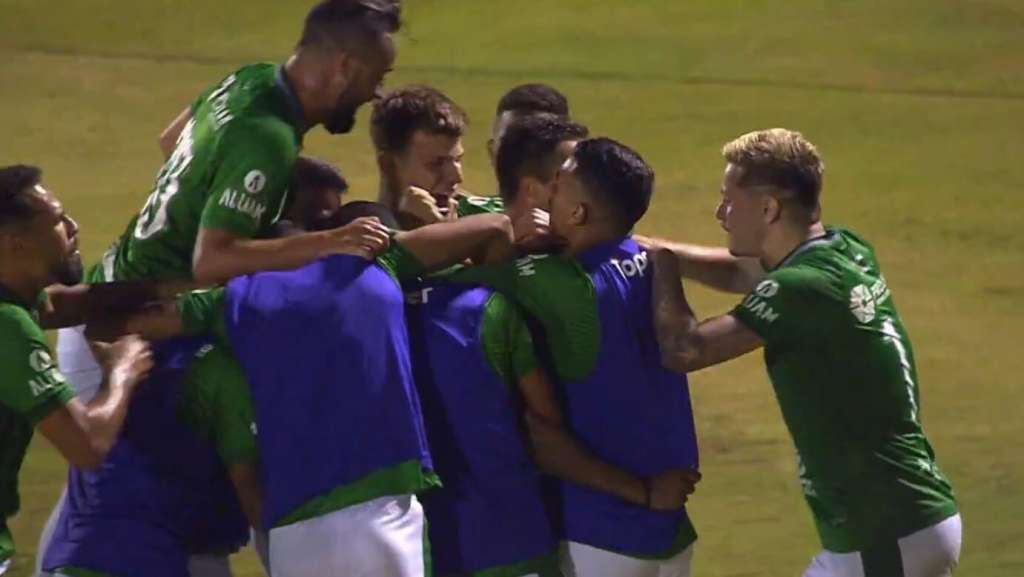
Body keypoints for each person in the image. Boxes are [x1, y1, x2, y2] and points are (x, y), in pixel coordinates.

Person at [90, 206, 518, 577]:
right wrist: (470, 283)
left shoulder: (236, 299)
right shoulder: (373, 264)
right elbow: (495, 227)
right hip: (380, 514)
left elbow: (121, 324)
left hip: (294, 531)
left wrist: (124, 352)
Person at [649, 128, 961, 577]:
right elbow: (743, 273)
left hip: (882, 531)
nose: (720, 213)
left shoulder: (801, 288)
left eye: (728, 200)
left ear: (768, 208)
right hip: (908, 520)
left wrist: (660, 269)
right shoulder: (845, 249)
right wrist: (656, 250)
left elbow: (686, 349)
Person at [449, 139, 701, 577]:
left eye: (559, 183)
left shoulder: (560, 286)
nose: (547, 191)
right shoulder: (640, 257)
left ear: (578, 213)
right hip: (670, 535)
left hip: (602, 535)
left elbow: (439, 275)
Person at [0, 165, 153, 576]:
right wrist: (122, 371)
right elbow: (87, 445)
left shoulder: (17, 299)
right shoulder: (7, 326)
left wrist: (175, 288)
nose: (73, 226)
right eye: (57, 221)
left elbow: (71, 303)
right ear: (15, 245)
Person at [371, 84, 468, 228]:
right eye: (437, 163)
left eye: (457, 160)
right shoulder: (360, 241)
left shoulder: (481, 220)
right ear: (389, 166)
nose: (456, 177)